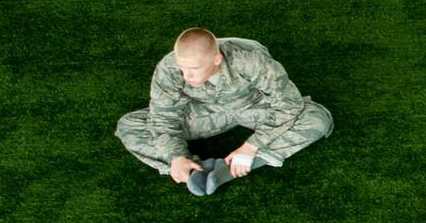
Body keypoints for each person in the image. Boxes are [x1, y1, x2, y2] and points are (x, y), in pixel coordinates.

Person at [115, 29, 333, 191]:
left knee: (317, 118)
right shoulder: (169, 67)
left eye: (194, 69)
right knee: (129, 124)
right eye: (182, 68)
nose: (186, 76)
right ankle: (196, 169)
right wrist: (175, 156)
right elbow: (163, 118)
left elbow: (289, 103)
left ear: (216, 59)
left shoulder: (248, 58)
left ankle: (229, 169)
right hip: (204, 112)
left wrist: (252, 146)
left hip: (252, 106)